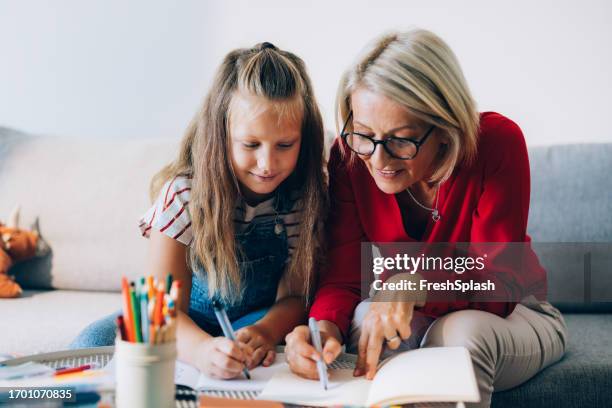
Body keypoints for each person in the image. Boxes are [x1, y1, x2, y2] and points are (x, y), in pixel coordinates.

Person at [284, 29, 567, 407]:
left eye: (402, 139)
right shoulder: (350, 157)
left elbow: (499, 281)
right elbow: (343, 275)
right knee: (365, 320)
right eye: (364, 135)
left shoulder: (498, 143)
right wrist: (322, 330)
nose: (379, 161)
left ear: (445, 128)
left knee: (460, 337)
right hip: (412, 310)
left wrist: (416, 282)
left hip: (514, 311)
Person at [70, 42, 327, 380]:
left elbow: (295, 297)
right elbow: (159, 309)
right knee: (93, 341)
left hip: (252, 322)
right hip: (178, 322)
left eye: (284, 145)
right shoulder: (183, 195)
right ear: (221, 135)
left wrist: (266, 331)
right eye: (250, 145)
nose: (267, 163)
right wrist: (202, 351)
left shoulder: (301, 201)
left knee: (258, 355)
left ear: (303, 140)